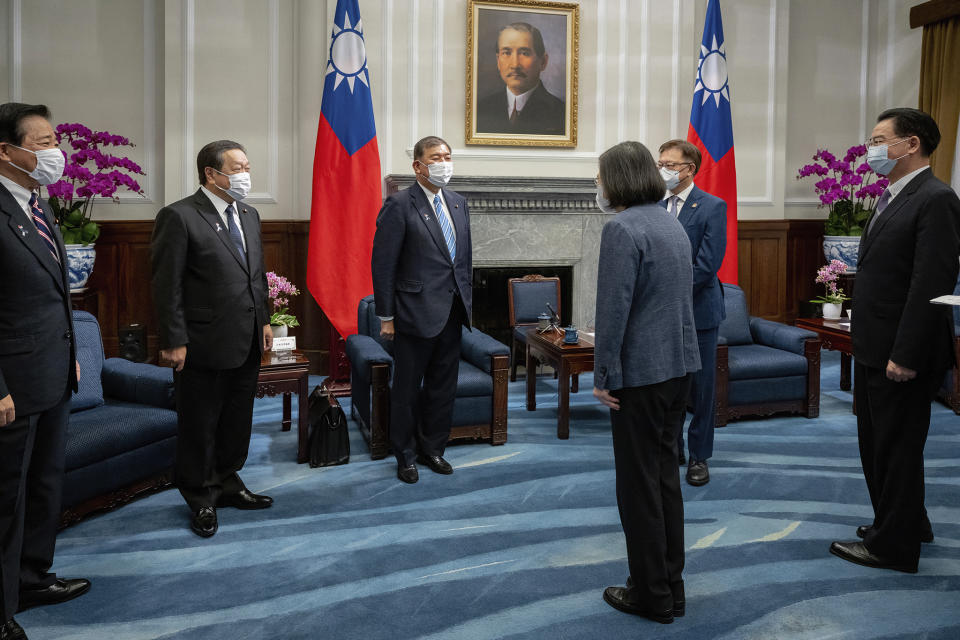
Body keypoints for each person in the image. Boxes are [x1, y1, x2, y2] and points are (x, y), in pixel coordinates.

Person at [830, 108, 960, 573]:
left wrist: (904, 355)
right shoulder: (891, 195)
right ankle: (904, 521)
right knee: (880, 444)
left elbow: (930, 285)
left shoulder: (936, 198)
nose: (872, 148)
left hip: (901, 354)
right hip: (875, 344)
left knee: (896, 447)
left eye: (879, 139)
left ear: (911, 144)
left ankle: (893, 547)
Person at [592, 141, 700, 624]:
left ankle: (649, 596)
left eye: (599, 177)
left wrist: (602, 376)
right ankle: (671, 588)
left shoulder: (622, 227)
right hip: (678, 368)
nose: (597, 186)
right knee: (664, 481)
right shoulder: (669, 221)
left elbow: (613, 313)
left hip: (638, 376)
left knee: (638, 488)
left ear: (616, 179)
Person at [151, 140, 274, 538]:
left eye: (247, 165)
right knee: (200, 423)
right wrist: (173, 339)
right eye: (237, 168)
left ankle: (228, 481)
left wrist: (266, 321)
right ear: (211, 173)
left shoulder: (250, 214)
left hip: (248, 337)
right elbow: (166, 285)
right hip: (201, 341)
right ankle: (200, 495)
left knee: (237, 420)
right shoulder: (180, 216)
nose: (245, 174)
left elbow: (257, 276)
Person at [0, 102, 90, 640]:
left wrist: (71, 349)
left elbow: (54, 296)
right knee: (6, 499)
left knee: (44, 486)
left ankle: (32, 577)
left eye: (54, 140)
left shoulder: (40, 204)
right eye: (41, 143)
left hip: (54, 372)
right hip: (12, 385)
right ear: (6, 151)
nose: (53, 152)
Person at [371, 136, 473, 484]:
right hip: (413, 314)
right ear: (418, 166)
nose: (443, 163)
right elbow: (383, 265)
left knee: (443, 387)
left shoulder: (458, 203)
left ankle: (433, 448)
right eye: (435, 157)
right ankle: (405, 455)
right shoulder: (399, 204)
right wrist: (386, 317)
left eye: (447, 156)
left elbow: (463, 261)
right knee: (407, 389)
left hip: (452, 311)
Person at [657, 139, 726, 486]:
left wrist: (667, 292)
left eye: (670, 164)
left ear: (690, 169)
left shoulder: (712, 206)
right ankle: (674, 446)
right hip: (661, 315)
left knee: (701, 391)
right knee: (669, 386)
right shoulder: (654, 205)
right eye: (660, 163)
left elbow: (707, 264)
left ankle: (700, 456)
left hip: (699, 311)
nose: (664, 170)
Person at [476, 22, 565, 136]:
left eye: (524, 53)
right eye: (506, 53)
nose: (515, 64)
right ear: (498, 61)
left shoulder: (561, 113)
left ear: (543, 62)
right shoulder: (481, 109)